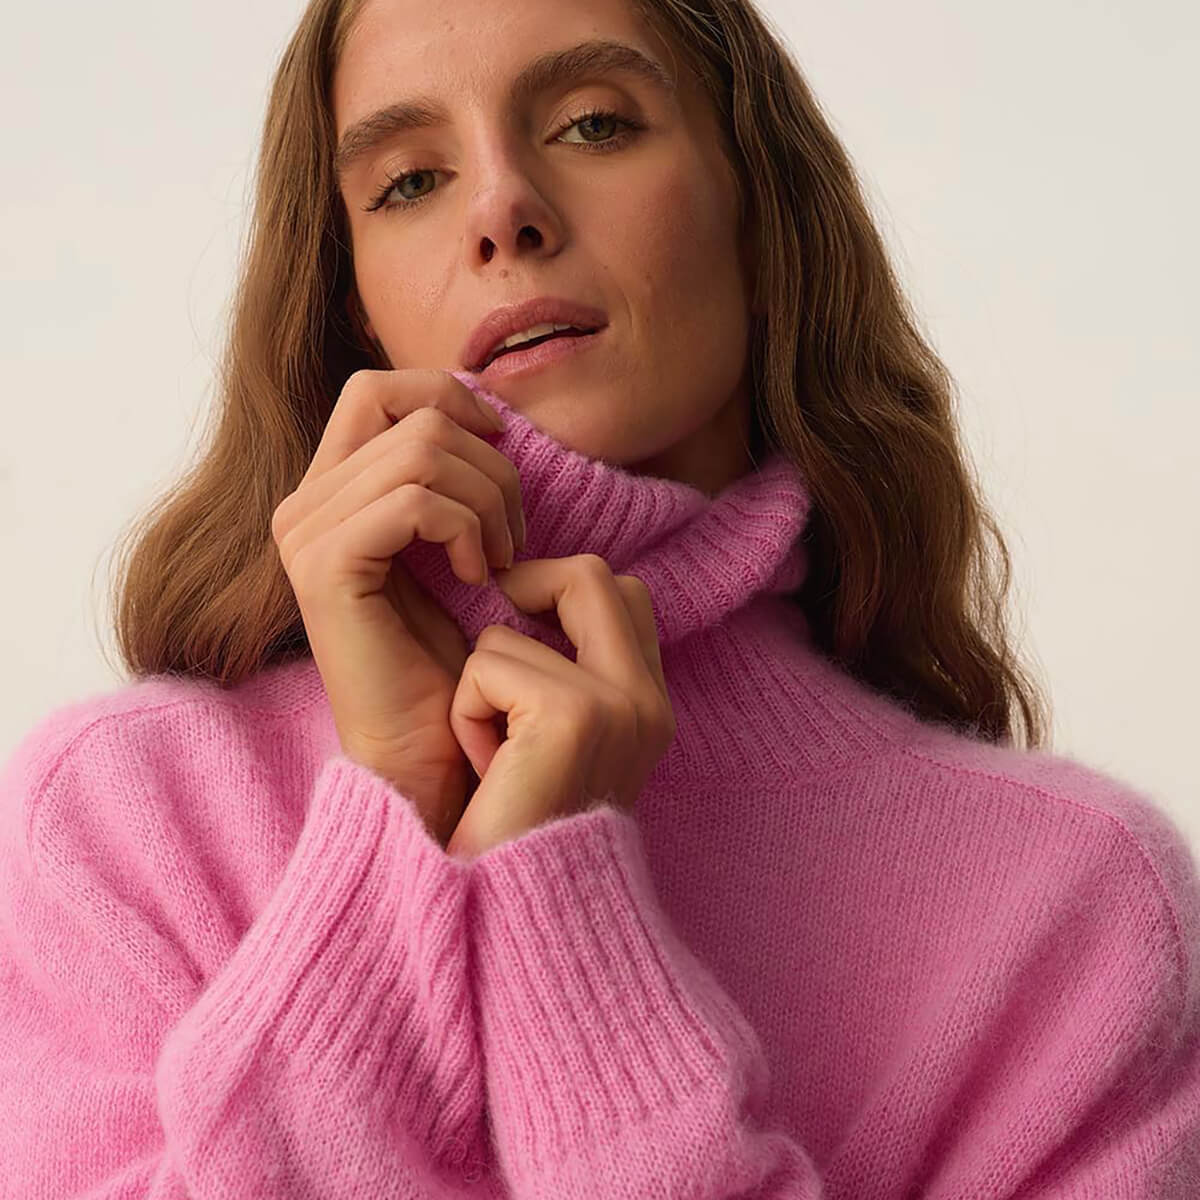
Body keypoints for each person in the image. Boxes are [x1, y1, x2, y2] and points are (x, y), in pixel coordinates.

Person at [1, 0, 1197, 1194]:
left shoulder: (1077, 914)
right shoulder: (127, 821)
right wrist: (399, 806)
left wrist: (566, 914)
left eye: (592, 124)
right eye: (410, 182)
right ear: (352, 300)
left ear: (759, 207)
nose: (501, 210)